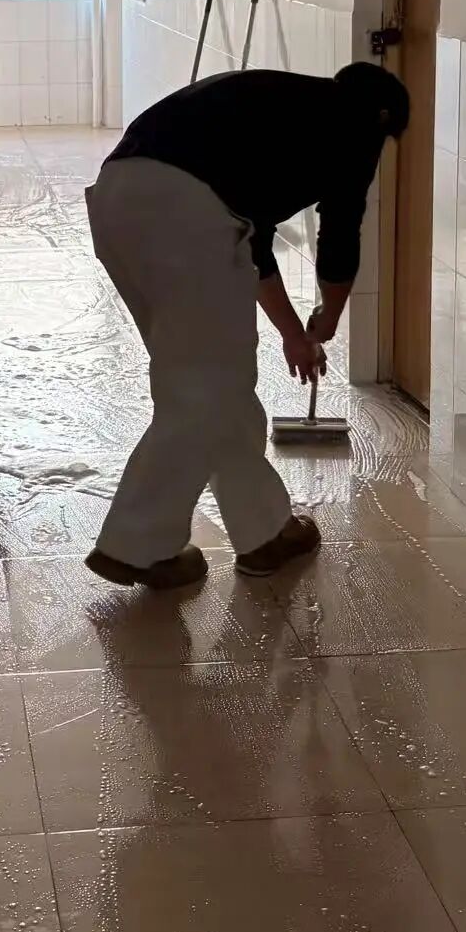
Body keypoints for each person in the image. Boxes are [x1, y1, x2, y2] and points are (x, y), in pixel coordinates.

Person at [84, 60, 409, 587]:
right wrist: (327, 316)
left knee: (211, 385)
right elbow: (339, 235)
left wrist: (294, 333)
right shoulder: (353, 127)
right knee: (204, 392)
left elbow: (250, 241)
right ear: (382, 120)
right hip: (184, 216)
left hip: (117, 201)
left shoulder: (277, 100)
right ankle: (135, 546)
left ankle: (264, 532)